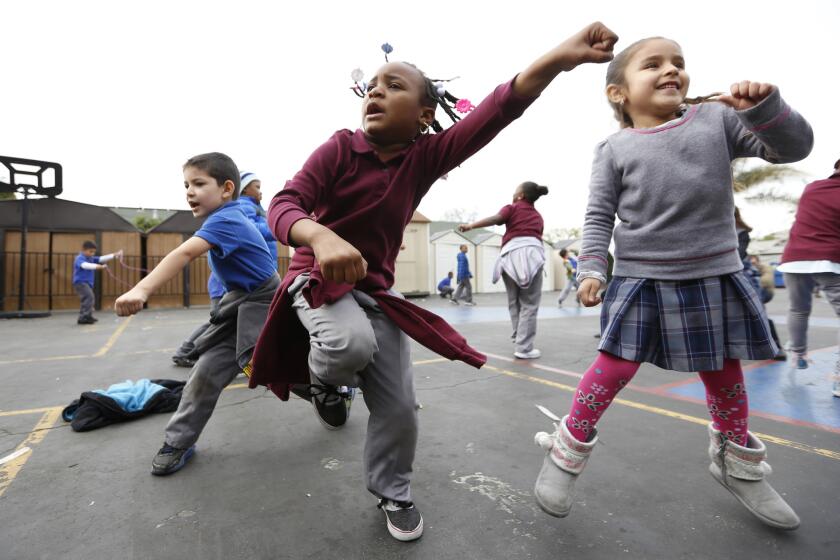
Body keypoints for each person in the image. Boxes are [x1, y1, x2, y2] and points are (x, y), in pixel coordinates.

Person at [246, 22, 619, 542]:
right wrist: (320, 237)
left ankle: (392, 491)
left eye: (394, 85)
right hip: (317, 280)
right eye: (373, 84)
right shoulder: (338, 148)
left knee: (399, 408)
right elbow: (284, 205)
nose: (377, 90)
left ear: (425, 117)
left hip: (377, 295)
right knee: (346, 343)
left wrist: (561, 57)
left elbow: (499, 109)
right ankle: (323, 384)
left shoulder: (424, 158)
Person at [532, 37, 812, 531]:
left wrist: (766, 108)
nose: (671, 70)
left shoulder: (719, 120)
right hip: (643, 278)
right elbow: (598, 217)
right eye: (654, 64)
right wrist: (592, 268)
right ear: (618, 93)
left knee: (724, 374)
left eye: (679, 63)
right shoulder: (615, 148)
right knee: (612, 369)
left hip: (713, 275)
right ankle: (566, 452)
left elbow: (791, 148)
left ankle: (736, 464)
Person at [115, 152, 279, 476]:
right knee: (205, 372)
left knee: (263, 367)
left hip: (263, 301)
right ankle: (179, 441)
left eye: (199, 183)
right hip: (238, 301)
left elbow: (184, 252)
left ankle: (330, 387)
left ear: (227, 188)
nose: (189, 191)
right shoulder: (224, 218)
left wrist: (142, 290)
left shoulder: (227, 218)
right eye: (186, 184)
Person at [460, 181, 549, 358]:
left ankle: (519, 338)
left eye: (515, 190)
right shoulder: (538, 217)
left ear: (521, 196)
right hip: (531, 255)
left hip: (509, 256)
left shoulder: (512, 208)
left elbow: (496, 219)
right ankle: (524, 347)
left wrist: (471, 225)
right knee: (529, 303)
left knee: (513, 301)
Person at [777, 158, 840, 396]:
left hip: (794, 257)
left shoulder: (812, 187)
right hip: (828, 258)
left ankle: (799, 354)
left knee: (798, 309)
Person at [735, 208, 786, 360]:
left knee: (758, 312)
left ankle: (776, 347)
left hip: (742, 276)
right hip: (725, 274)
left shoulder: (741, 232)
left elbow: (740, 254)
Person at [171, 272, 226, 368]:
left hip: (224, 289)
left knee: (224, 324)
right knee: (216, 323)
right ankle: (184, 352)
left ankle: (186, 352)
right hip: (222, 289)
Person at [72, 241, 121, 324]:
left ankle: (87, 316)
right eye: (90, 251)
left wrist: (113, 255)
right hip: (80, 282)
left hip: (87, 283)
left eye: (93, 252)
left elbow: (101, 258)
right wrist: (97, 266)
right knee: (89, 297)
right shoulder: (79, 258)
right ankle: (84, 317)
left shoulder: (90, 258)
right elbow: (84, 265)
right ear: (83, 250)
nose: (92, 253)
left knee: (87, 298)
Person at [238, 171, 279, 264]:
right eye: (257, 187)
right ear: (244, 188)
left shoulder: (254, 206)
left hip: (265, 260)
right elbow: (251, 229)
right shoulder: (244, 205)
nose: (260, 191)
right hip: (258, 262)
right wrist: (275, 228)